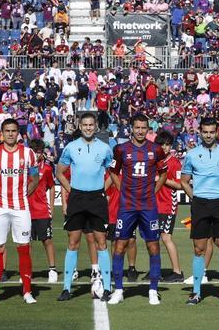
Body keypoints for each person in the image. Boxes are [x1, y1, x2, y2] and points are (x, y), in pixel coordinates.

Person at [179, 117, 219, 305]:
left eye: (211, 132)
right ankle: (196, 292)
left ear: (216, 132)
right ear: (200, 132)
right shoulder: (191, 154)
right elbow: (184, 181)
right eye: (205, 132)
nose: (208, 135)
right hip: (200, 204)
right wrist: (195, 197)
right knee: (199, 249)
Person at [107, 114, 168, 306]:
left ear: (148, 128)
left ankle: (153, 290)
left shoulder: (156, 149)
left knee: (153, 246)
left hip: (148, 206)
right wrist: (122, 189)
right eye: (137, 127)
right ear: (131, 128)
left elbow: (164, 173)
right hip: (127, 206)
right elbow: (113, 171)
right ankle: (118, 290)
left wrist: (153, 190)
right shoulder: (120, 149)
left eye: (144, 128)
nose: (140, 131)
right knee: (119, 245)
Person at [55, 112, 115, 301]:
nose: (88, 128)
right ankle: (66, 288)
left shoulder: (105, 148)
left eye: (91, 125)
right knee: (73, 242)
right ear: (80, 126)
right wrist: (71, 190)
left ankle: (106, 287)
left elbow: (112, 173)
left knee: (102, 242)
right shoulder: (71, 148)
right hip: (77, 198)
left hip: (96, 199)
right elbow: (60, 172)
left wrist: (102, 190)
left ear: (96, 126)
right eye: (85, 125)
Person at [0, 118, 40, 304]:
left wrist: (23, 194)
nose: (11, 134)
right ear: (2, 133)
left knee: (23, 248)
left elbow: (35, 178)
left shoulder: (28, 153)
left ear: (18, 133)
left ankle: (27, 292)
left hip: (21, 208)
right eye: (7, 131)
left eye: (14, 131)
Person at [27, 139, 60, 284]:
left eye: (40, 152)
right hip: (25, 210)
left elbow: (52, 186)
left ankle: (52, 270)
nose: (37, 154)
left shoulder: (46, 168)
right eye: (35, 152)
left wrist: (51, 206)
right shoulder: (24, 168)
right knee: (26, 243)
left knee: (47, 240)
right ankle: (27, 271)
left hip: (41, 210)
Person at [155, 130, 185, 281]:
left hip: (167, 205)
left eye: (167, 145)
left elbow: (180, 185)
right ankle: (156, 270)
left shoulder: (174, 162)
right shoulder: (155, 160)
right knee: (153, 239)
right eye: (162, 144)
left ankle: (177, 272)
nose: (165, 148)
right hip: (154, 204)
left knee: (166, 238)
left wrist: (161, 179)